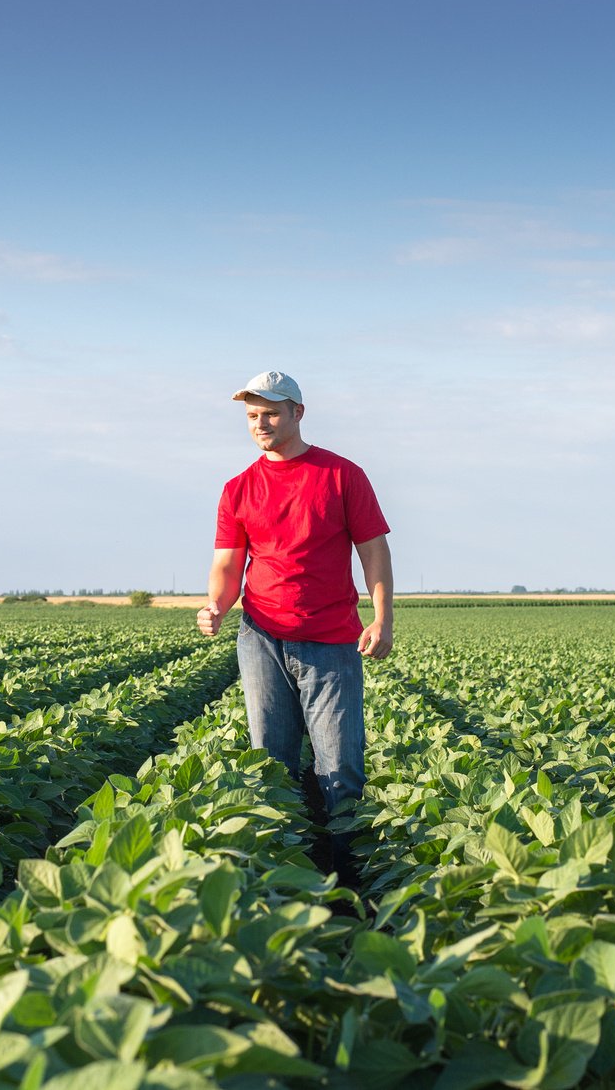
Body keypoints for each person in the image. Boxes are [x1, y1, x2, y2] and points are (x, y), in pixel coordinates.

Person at [197, 370, 393, 888]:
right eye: (252, 416)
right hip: (260, 636)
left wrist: (382, 618)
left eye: (271, 413)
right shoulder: (238, 488)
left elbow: (373, 548)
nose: (261, 424)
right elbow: (227, 563)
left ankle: (352, 885)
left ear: (298, 413)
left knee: (341, 768)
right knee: (271, 765)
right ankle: (283, 878)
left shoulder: (341, 475)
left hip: (330, 639)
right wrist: (216, 605)